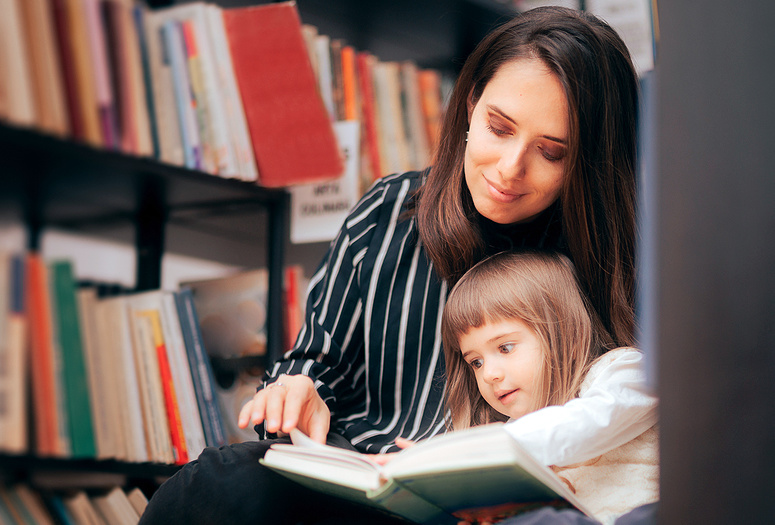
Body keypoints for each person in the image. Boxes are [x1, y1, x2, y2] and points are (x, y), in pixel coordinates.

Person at [140, 6, 644, 524]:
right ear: (470, 105)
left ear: (587, 162)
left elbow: (624, 412)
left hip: (494, 502)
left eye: (551, 153)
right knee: (219, 482)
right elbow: (314, 362)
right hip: (358, 478)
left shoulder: (606, 260)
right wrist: (297, 389)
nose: (510, 169)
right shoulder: (390, 210)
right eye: (498, 127)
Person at [441, 251, 658, 525]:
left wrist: (486, 450)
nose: (489, 375)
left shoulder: (623, 371)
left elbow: (587, 424)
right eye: (476, 362)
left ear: (562, 330)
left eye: (505, 348)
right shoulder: (514, 429)